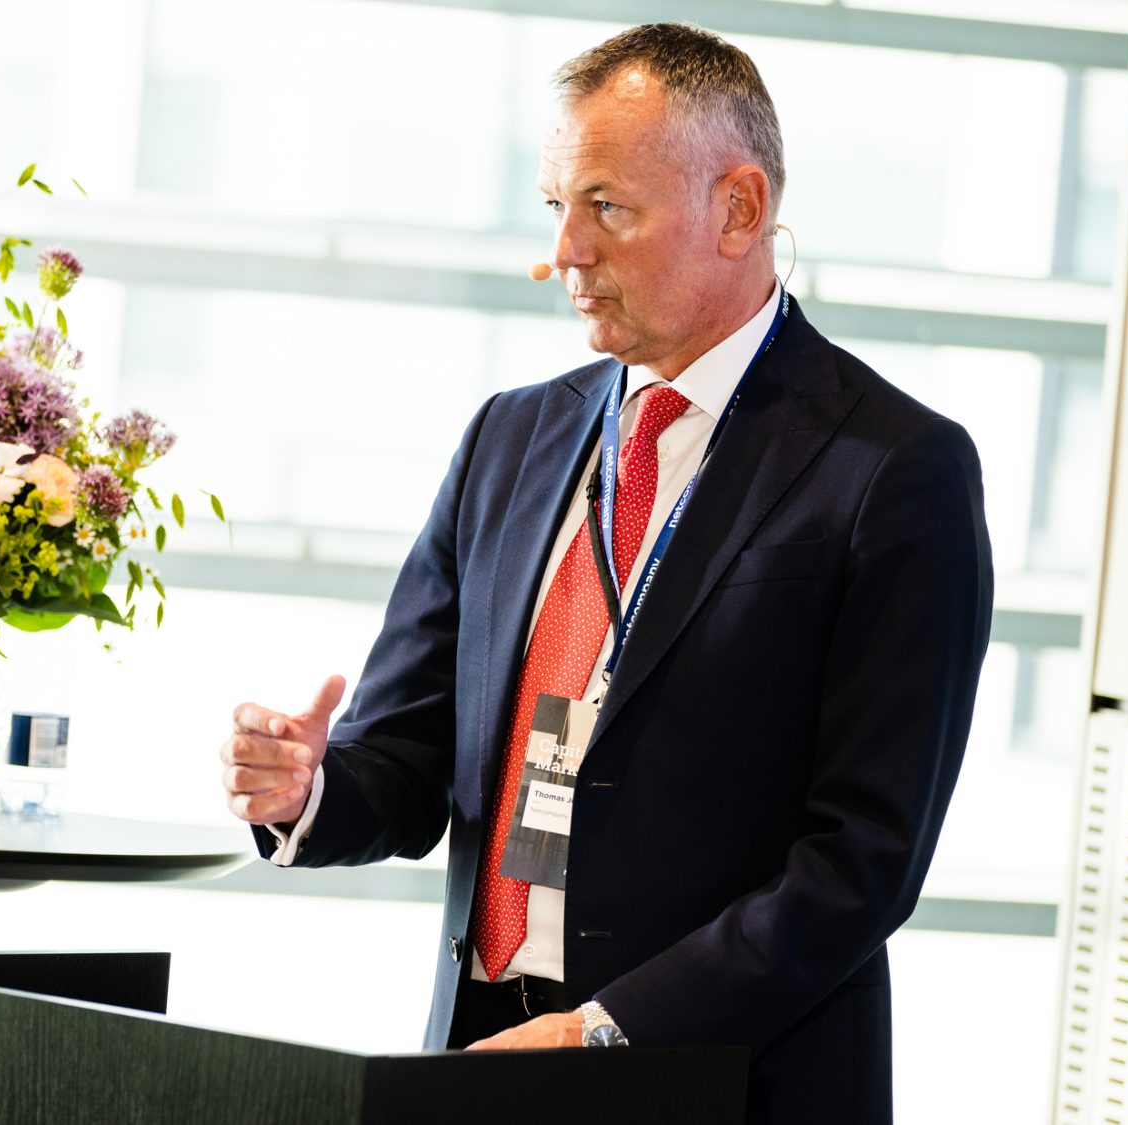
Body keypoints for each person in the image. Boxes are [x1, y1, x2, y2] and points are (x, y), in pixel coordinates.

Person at [219, 22, 993, 1125]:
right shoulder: (509, 438)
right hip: (484, 1052)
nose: (563, 251)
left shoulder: (893, 467)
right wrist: (310, 791)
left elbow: (860, 863)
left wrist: (605, 1032)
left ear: (738, 208)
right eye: (554, 206)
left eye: (606, 207)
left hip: (721, 1080)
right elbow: (410, 755)